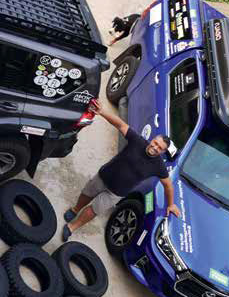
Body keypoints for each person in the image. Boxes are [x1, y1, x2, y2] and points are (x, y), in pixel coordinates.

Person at [62, 100, 181, 241]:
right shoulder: (137, 141)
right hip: (104, 176)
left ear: (162, 152)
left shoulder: (159, 166)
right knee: (87, 193)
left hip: (116, 193)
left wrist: (171, 204)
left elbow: (168, 186)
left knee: (94, 210)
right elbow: (120, 124)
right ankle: (75, 209)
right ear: (153, 140)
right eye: (156, 143)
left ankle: (72, 227)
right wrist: (102, 112)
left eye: (160, 148)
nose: (155, 148)